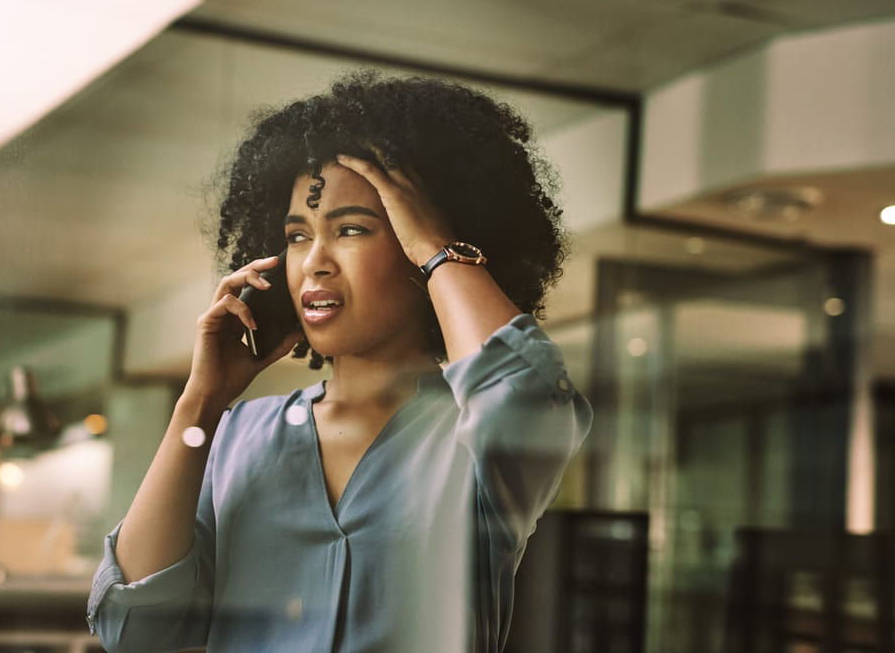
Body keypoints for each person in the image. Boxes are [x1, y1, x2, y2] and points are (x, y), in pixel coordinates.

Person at [84, 70, 593, 652]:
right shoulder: (236, 436)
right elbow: (134, 628)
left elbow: (527, 396)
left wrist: (436, 247)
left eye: (351, 229)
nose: (314, 263)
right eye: (298, 236)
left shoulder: (473, 436)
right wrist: (199, 405)